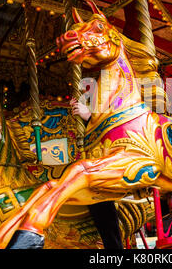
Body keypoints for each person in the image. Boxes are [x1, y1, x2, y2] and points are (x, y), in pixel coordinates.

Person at [69, 98, 123, 249]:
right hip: (96, 162)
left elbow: (116, 124)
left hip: (115, 158)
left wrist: (89, 117)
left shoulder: (115, 96)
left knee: (100, 199)